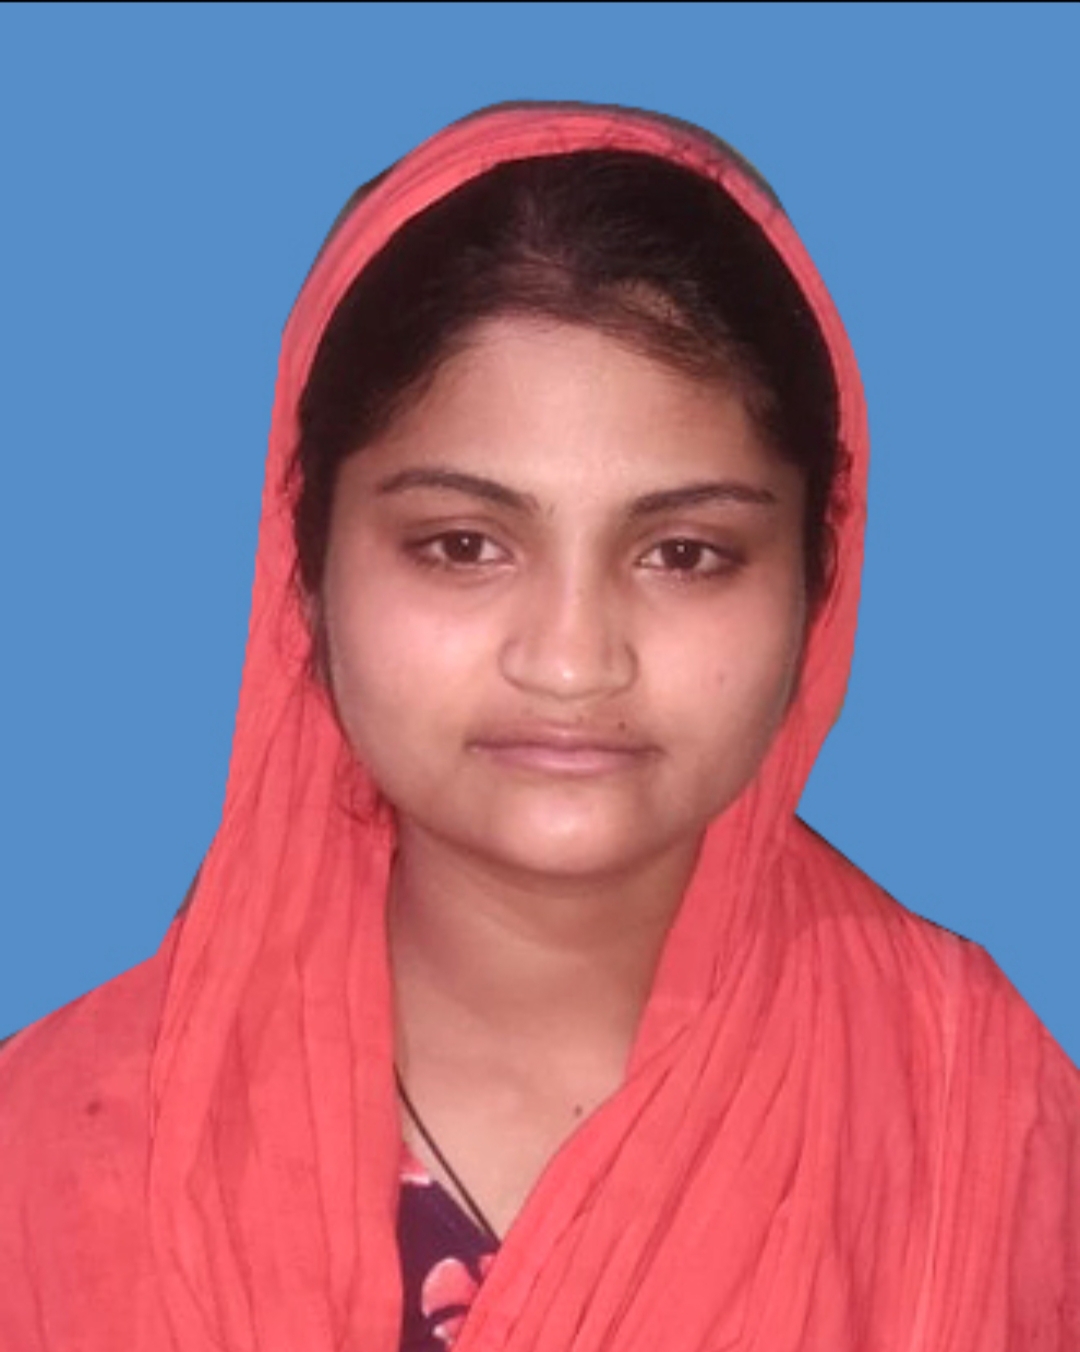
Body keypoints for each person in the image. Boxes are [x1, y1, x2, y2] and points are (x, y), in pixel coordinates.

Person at [0, 101, 1076, 1352]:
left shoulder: (979, 1119)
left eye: (684, 552)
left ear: (816, 585)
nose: (572, 658)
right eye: (463, 544)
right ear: (307, 573)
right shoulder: (51, 1156)